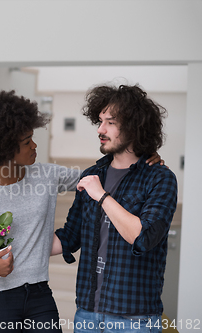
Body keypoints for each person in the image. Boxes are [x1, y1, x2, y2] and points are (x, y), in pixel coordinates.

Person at [0, 90, 161, 333]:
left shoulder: (47, 175)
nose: (34, 145)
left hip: (39, 295)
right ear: (5, 148)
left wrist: (143, 157)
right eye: (27, 141)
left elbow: (98, 177)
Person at [52, 84, 178, 333]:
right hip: (86, 314)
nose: (100, 130)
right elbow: (70, 237)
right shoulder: (93, 174)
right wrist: (16, 244)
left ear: (134, 126)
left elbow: (142, 237)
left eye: (110, 122)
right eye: (100, 121)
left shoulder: (159, 178)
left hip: (134, 319)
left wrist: (101, 195)